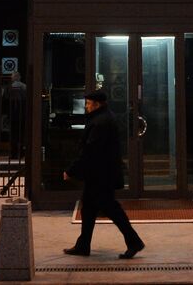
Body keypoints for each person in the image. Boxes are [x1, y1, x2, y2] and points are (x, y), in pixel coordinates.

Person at [62, 88, 145, 259]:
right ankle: (83, 245)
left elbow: (90, 151)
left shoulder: (100, 122)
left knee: (112, 210)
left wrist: (71, 170)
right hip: (100, 175)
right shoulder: (103, 118)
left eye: (88, 104)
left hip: (100, 176)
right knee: (89, 210)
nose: (86, 107)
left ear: (96, 104)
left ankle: (134, 242)